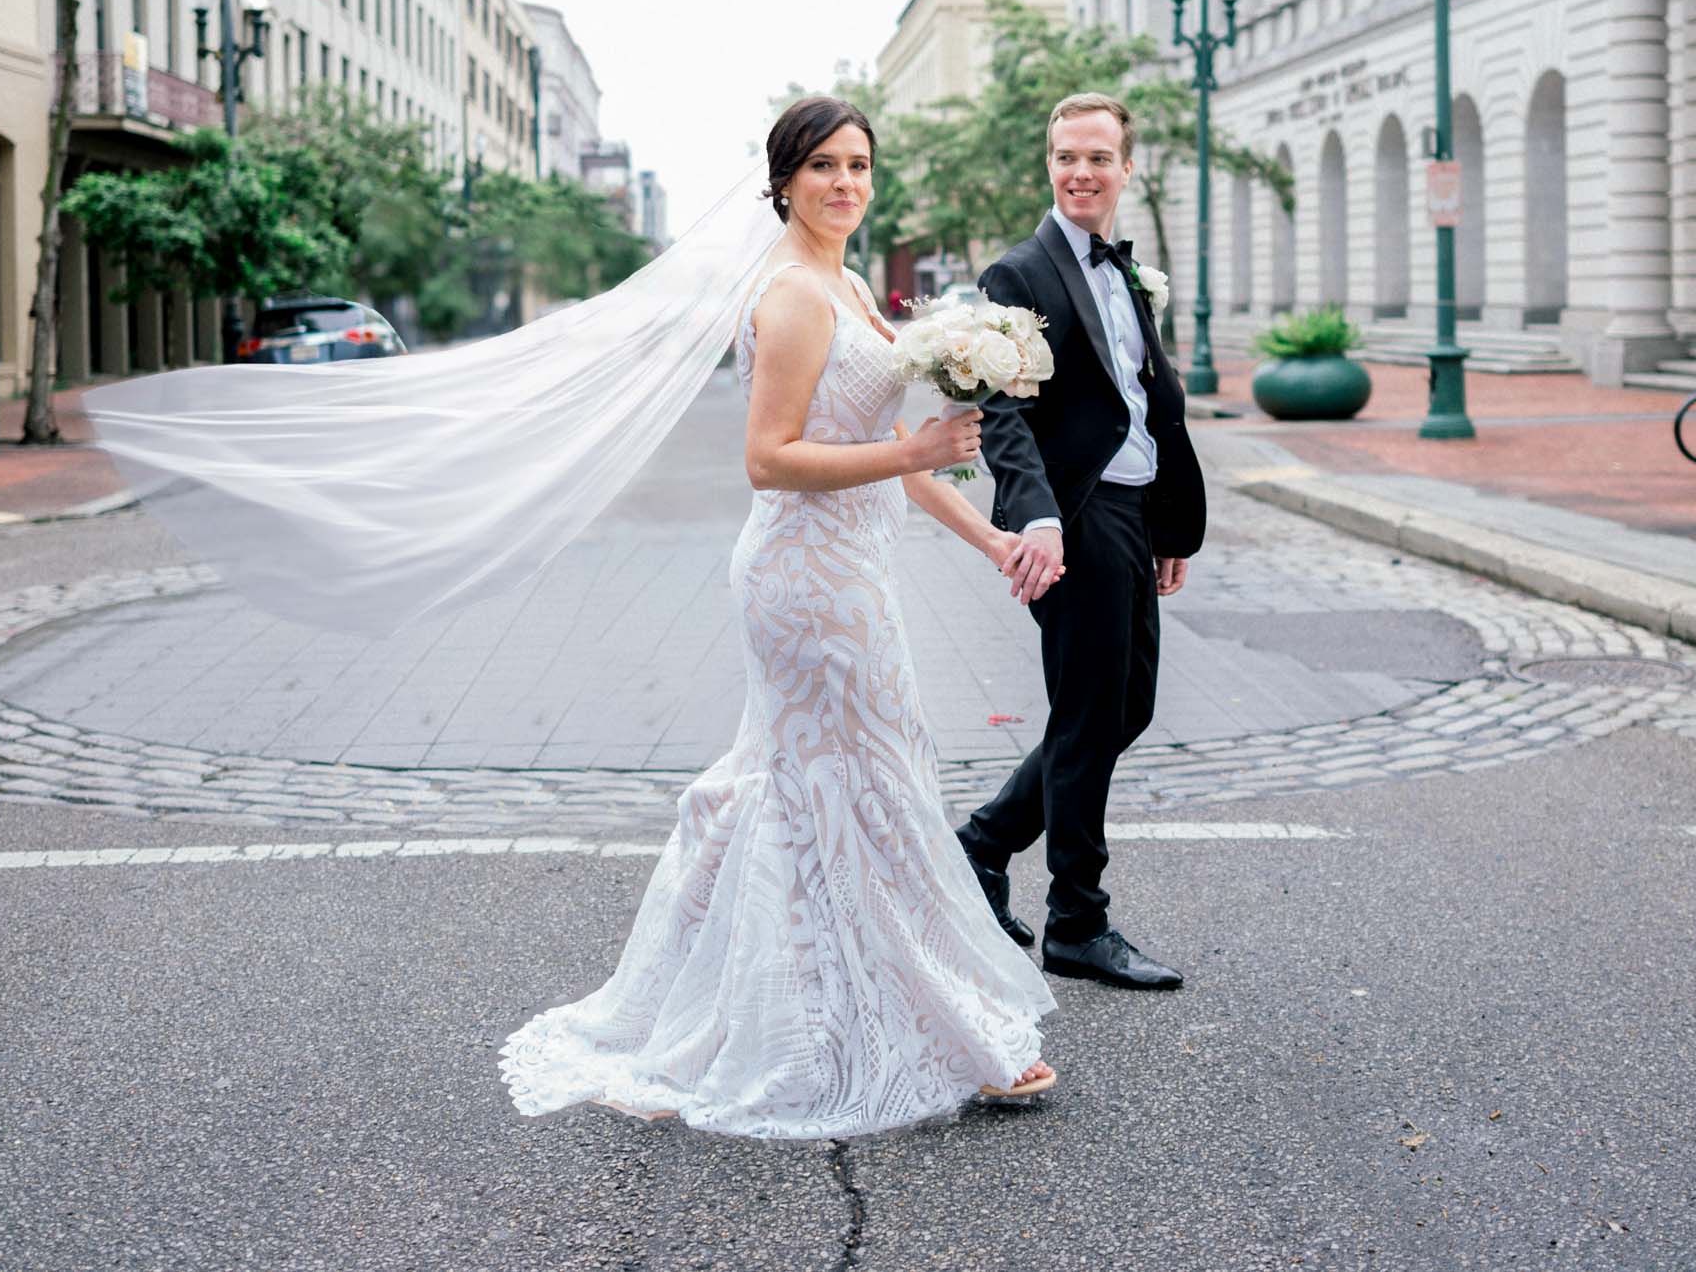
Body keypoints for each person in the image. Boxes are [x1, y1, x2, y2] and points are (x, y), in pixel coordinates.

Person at [499, 97, 1059, 1138]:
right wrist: (911, 454)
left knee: (832, 781)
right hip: (803, 581)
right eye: (822, 167)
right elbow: (771, 459)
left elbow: (891, 438)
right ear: (783, 180)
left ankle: (813, 1005)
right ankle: (933, 1028)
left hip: (850, 566)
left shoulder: (846, 280)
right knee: (862, 781)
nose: (845, 183)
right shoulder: (794, 294)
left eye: (858, 166)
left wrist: (985, 540)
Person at [955, 92, 1207, 992]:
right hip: (1075, 515)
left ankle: (982, 844)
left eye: (1098, 157)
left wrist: (1170, 520)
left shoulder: (1128, 275)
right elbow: (1003, 414)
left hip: (1134, 510)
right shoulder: (1018, 273)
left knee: (1122, 707)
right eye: (1066, 156)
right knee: (1093, 707)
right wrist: (1037, 519)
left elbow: (1148, 401)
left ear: (1125, 169)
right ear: (1049, 164)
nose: (1080, 172)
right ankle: (1078, 920)